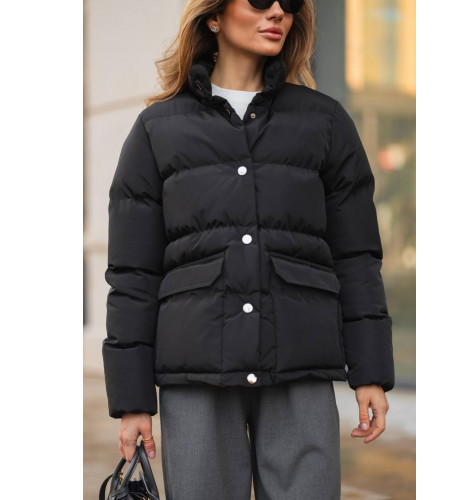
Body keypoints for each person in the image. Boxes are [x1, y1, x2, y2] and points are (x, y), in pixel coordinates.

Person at [102, 1, 395, 499]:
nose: (277, 11)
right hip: (195, 372)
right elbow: (133, 274)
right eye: (260, 0)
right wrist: (133, 400)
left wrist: (371, 372)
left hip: (299, 361)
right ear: (214, 16)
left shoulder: (324, 122)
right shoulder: (157, 129)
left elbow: (356, 257)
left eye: (289, 3)